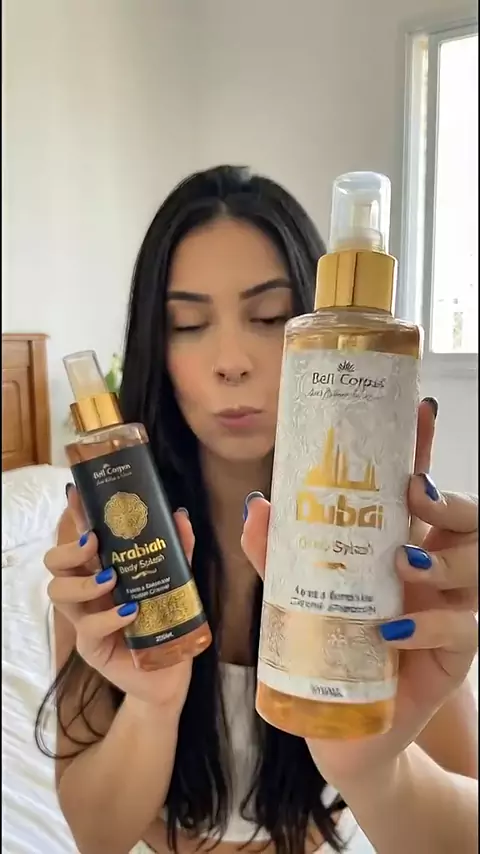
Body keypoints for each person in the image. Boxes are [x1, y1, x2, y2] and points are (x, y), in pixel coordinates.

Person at [37, 166, 478, 854]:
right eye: (188, 324)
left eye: (269, 317)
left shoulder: (381, 537)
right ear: (157, 347)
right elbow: (98, 834)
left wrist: (378, 772)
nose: (232, 361)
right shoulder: (109, 534)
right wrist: (154, 700)